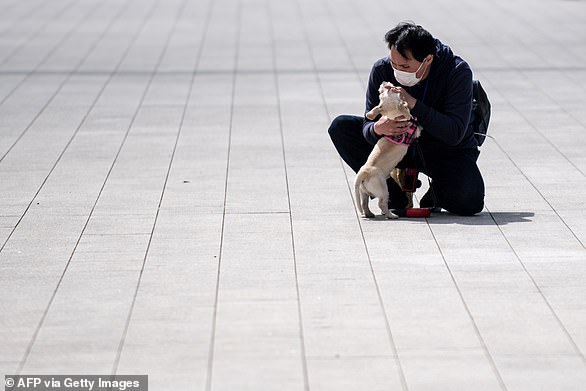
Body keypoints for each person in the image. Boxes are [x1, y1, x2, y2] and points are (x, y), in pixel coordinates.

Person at [328, 22, 485, 216]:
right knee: (340, 127)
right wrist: (377, 128)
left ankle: (437, 194)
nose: (397, 70)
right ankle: (393, 195)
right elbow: (367, 123)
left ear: (427, 60)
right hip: (395, 146)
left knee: (470, 201)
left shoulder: (456, 72)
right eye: (394, 63)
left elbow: (454, 133)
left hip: (441, 149)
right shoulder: (382, 70)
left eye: (405, 66)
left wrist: (413, 103)